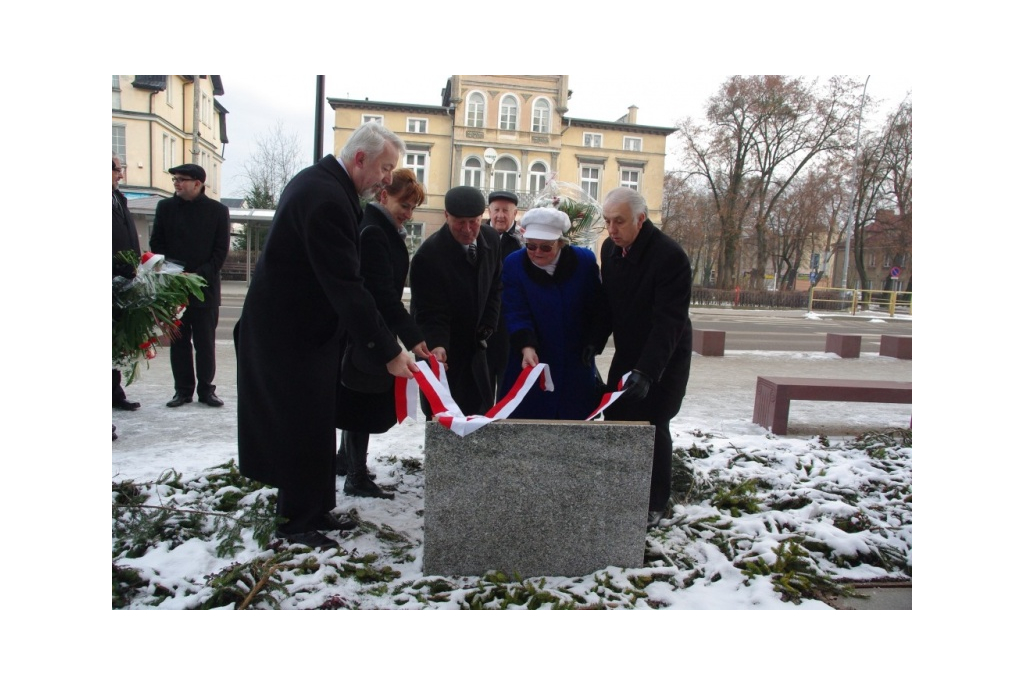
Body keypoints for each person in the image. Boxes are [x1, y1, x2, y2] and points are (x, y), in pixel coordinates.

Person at [235, 122, 418, 550]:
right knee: (299, 426)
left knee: (317, 423)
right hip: (289, 338)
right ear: (360, 159)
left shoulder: (326, 185)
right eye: (385, 168)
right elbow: (347, 285)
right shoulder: (326, 198)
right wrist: (388, 351)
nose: (388, 179)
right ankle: (295, 524)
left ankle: (316, 510)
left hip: (306, 335)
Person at [593, 187, 693, 528]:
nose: (612, 229)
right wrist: (591, 346)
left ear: (640, 218)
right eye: (607, 221)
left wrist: (648, 372)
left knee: (653, 422)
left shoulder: (670, 256)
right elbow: (608, 305)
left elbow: (670, 321)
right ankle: (621, 490)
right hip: (628, 350)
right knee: (618, 416)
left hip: (664, 355)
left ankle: (655, 501)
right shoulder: (610, 248)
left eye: (619, 221)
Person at [335, 169, 430, 499]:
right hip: (369, 333)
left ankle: (345, 460)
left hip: (366, 330)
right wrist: (413, 337)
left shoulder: (379, 227)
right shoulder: (375, 232)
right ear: (382, 196)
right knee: (360, 402)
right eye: (404, 204)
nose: (408, 213)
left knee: (354, 397)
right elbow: (383, 295)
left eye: (413, 207)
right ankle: (356, 475)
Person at [499, 207, 603, 419]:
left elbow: (597, 307)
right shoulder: (514, 264)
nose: (537, 252)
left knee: (573, 422)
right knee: (528, 422)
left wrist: (594, 341)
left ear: (561, 243)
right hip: (531, 359)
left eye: (546, 247)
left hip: (575, 359)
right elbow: (515, 309)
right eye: (531, 246)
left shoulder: (584, 261)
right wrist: (526, 346)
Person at [409, 186, 502, 417]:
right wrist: (437, 344)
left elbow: (496, 285)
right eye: (460, 222)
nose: (468, 229)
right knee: (446, 416)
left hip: (478, 347)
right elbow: (429, 311)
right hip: (446, 353)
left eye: (474, 221)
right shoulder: (428, 257)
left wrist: (489, 322)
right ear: (446, 216)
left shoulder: (490, 239)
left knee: (481, 412)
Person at [149, 163, 230, 408]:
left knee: (205, 343)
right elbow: (157, 244)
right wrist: (174, 274)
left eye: (182, 179)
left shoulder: (217, 211)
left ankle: (207, 390)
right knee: (179, 342)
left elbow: (220, 252)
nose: (177, 183)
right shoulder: (165, 208)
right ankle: (182, 391)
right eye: (175, 179)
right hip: (174, 289)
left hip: (205, 289)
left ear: (198, 183)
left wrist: (196, 275)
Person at [483, 190, 521, 403]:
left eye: (506, 211)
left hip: (509, 324)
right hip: (483, 324)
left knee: (508, 385)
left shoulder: (521, 242)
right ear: (489, 211)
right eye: (496, 210)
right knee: (483, 385)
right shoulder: (477, 237)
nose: (500, 215)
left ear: (515, 213)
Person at [112, 152, 141, 413]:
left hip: (122, 279)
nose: (120, 174)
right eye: (116, 169)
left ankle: (114, 393)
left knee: (114, 344)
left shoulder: (119, 198)